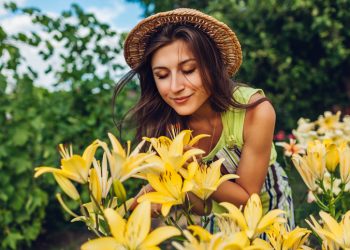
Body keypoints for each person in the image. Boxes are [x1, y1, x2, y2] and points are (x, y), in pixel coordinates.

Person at [114, 8, 294, 232]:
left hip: (269, 207)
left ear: (212, 66)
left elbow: (248, 199)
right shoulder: (168, 128)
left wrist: (196, 171)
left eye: (188, 70)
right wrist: (171, 193)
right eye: (161, 75)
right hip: (220, 219)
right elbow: (204, 207)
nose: (175, 87)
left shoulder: (256, 111)